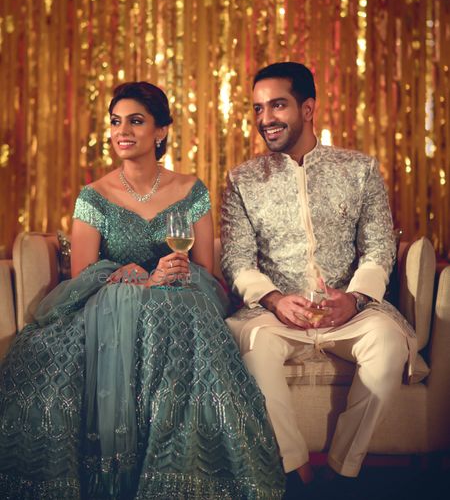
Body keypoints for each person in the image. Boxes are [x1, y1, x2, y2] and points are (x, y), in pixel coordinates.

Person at [0, 81, 285, 500]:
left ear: (161, 131)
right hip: (109, 303)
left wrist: (176, 269)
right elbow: (84, 275)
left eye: (136, 121)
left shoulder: (191, 190)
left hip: (182, 294)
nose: (123, 131)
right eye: (116, 122)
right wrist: (134, 275)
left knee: (177, 309)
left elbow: (207, 271)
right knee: (80, 339)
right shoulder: (93, 197)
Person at [221, 62, 416, 493]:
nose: (265, 119)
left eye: (277, 105)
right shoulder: (243, 180)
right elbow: (235, 258)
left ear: (308, 108)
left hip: (349, 311)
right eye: (257, 109)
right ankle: (294, 471)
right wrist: (273, 299)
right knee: (257, 347)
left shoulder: (359, 169)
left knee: (387, 344)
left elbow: (380, 245)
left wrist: (355, 298)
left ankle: (342, 471)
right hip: (276, 313)